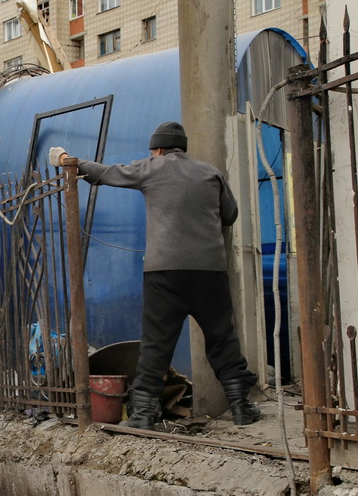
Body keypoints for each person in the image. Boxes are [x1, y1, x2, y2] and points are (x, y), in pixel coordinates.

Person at [49, 121, 261, 429]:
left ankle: (143, 415)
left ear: (158, 149)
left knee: (156, 343)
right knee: (221, 338)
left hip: (164, 274)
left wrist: (71, 161)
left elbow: (107, 173)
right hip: (209, 272)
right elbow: (230, 215)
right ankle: (241, 407)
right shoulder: (210, 173)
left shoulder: (152, 167)